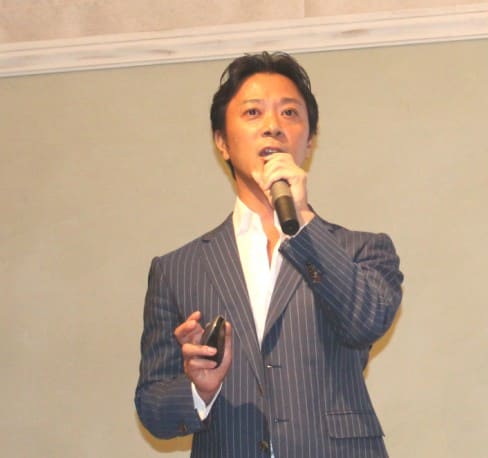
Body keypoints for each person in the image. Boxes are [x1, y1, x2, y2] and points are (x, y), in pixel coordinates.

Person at [135, 51, 403, 457]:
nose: (273, 126)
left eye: (289, 113)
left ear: (309, 140)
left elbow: (365, 323)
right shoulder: (177, 269)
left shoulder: (362, 250)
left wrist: (303, 223)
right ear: (221, 142)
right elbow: (153, 408)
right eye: (253, 112)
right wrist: (198, 389)